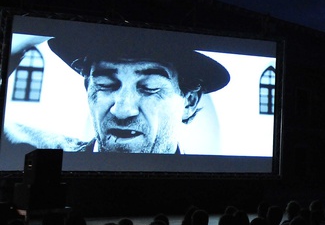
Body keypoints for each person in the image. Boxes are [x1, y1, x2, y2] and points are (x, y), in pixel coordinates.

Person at [4, 33, 230, 154]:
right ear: (87, 90)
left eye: (149, 87)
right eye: (105, 84)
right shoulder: (46, 155)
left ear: (189, 102)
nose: (122, 110)